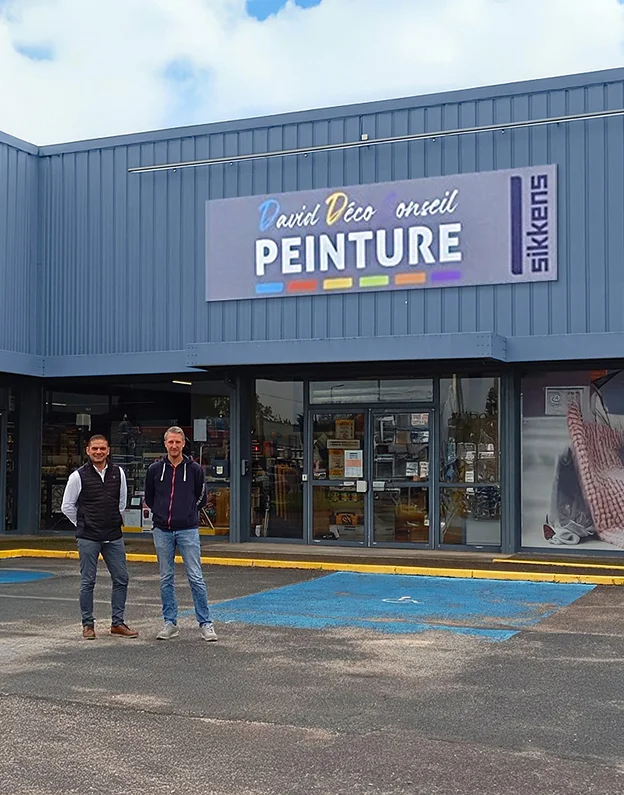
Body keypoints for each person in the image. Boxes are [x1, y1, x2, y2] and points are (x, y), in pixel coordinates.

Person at [61, 434, 139, 640]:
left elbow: (121, 503)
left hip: (113, 536)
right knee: (88, 581)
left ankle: (118, 623)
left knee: (121, 579)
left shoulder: (118, 473)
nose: (98, 452)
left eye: (102, 448)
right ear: (87, 450)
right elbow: (67, 506)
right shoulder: (78, 476)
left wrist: (111, 520)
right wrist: (83, 523)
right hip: (88, 537)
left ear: (108, 450)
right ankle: (88, 625)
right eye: (94, 448)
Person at [145, 426, 217, 642]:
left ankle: (206, 623)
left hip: (188, 529)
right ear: (165, 444)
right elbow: (150, 496)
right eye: (170, 442)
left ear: (184, 443)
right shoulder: (155, 470)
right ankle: (170, 622)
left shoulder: (195, 469)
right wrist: (160, 511)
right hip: (162, 530)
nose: (174, 446)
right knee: (166, 577)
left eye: (178, 442)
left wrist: (187, 512)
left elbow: (201, 498)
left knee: (196, 577)